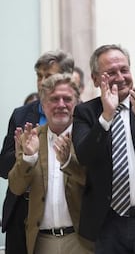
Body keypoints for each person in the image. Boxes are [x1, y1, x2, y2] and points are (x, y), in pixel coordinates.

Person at [71, 44, 135, 254]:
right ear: (96, 78)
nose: (120, 77)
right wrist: (106, 117)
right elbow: (84, 156)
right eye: (111, 73)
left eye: (124, 70)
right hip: (108, 223)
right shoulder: (86, 113)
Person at [8, 73, 93, 254]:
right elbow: (16, 187)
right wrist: (29, 158)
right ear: (43, 105)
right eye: (54, 99)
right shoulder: (30, 137)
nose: (61, 104)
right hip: (42, 242)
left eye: (67, 99)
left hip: (81, 241)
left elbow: (97, 185)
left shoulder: (88, 136)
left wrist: (69, 162)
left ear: (77, 103)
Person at [0, 50, 74, 254]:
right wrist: (23, 157)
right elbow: (3, 167)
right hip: (23, 210)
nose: (42, 82)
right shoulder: (22, 114)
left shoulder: (80, 113)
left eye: (48, 76)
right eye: (39, 76)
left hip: (65, 216)